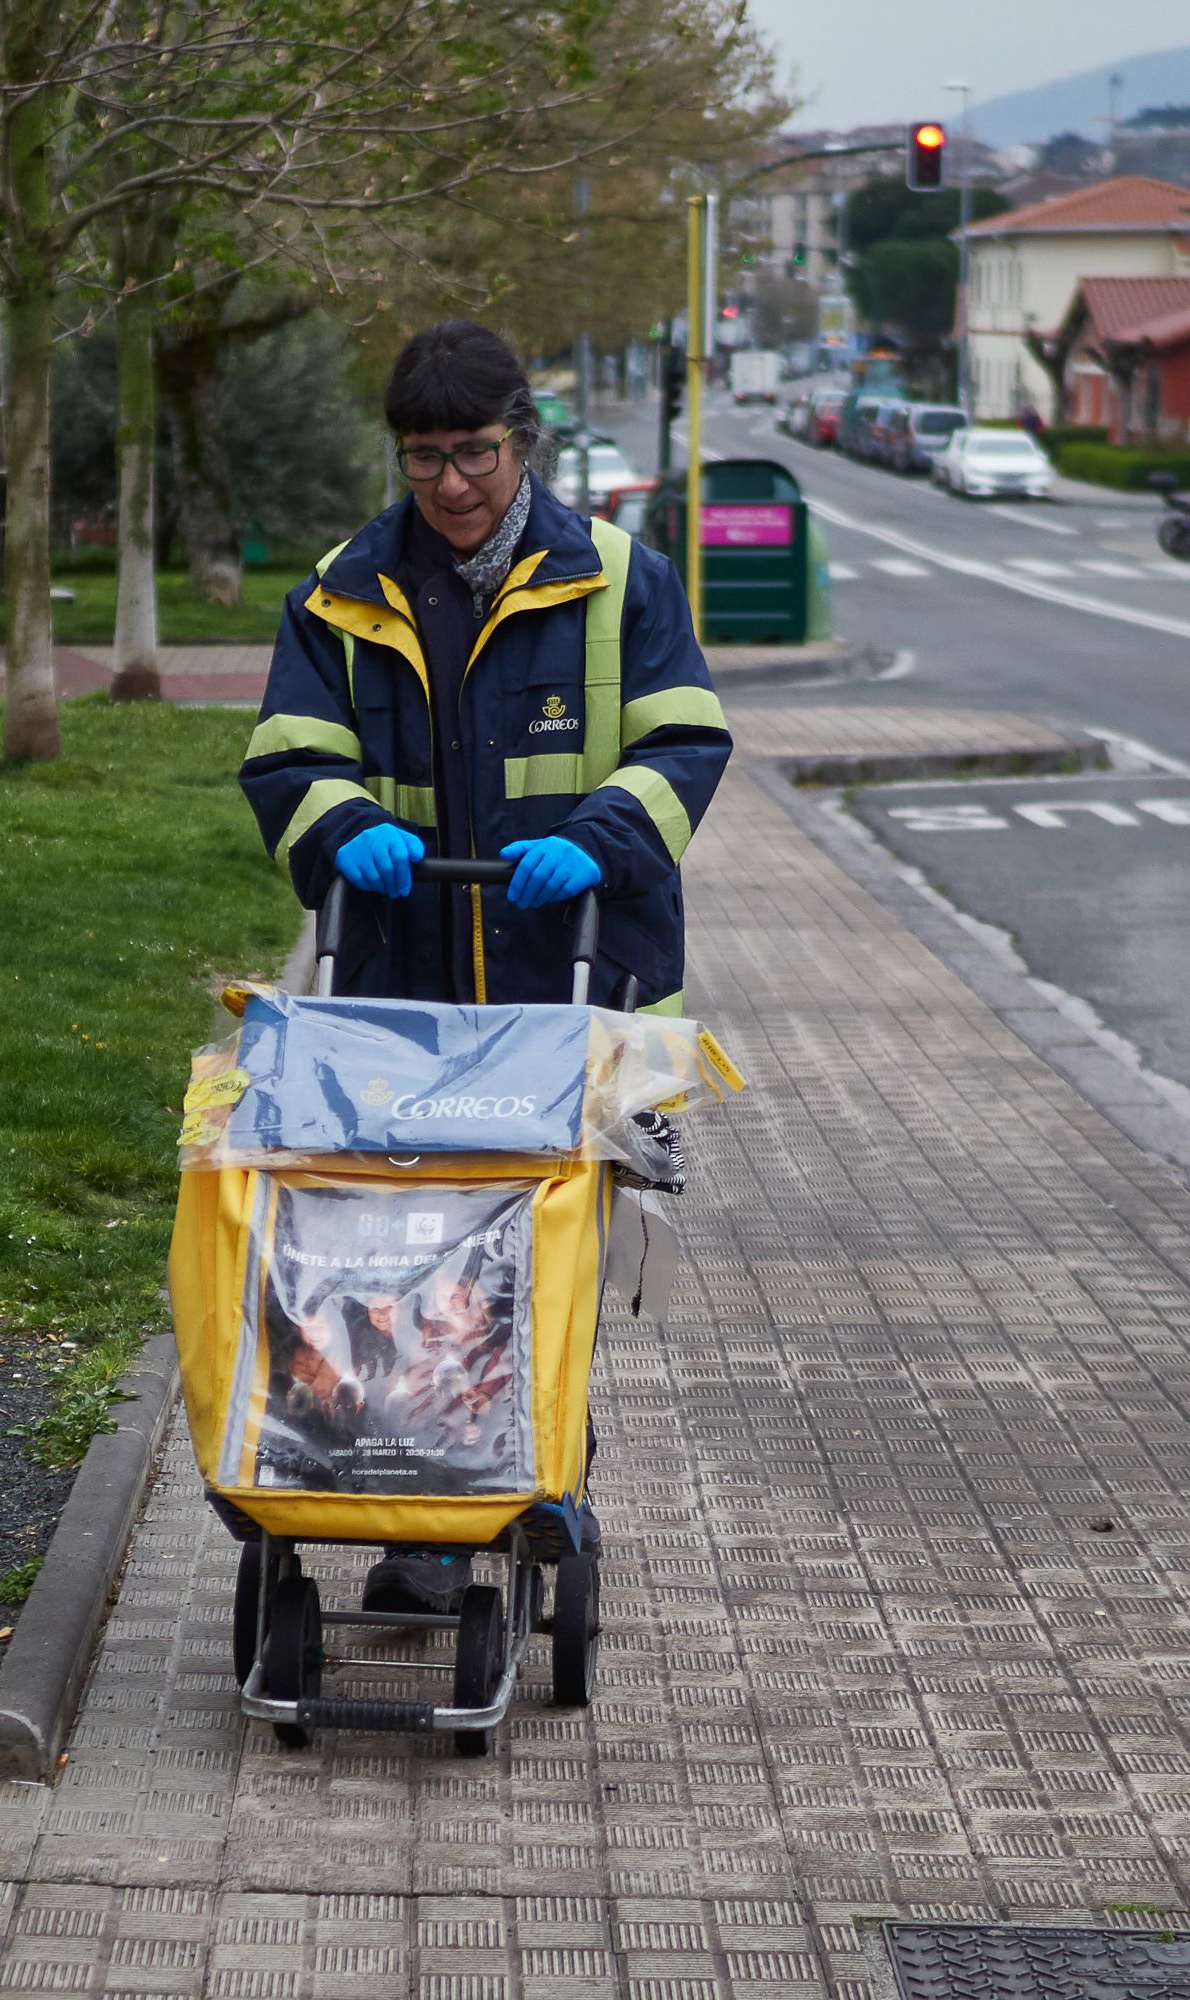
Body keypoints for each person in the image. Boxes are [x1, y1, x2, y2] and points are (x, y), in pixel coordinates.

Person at [239, 320, 731, 1609]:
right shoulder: (342, 592)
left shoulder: (623, 581)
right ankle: (420, 1527)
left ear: (524, 441)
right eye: (422, 460)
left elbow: (686, 742)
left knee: (541, 1267)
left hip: (576, 995)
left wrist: (601, 837)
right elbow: (289, 757)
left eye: (474, 454)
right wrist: (345, 826)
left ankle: (540, 1485)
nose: (452, 485)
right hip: (402, 999)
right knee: (407, 1269)